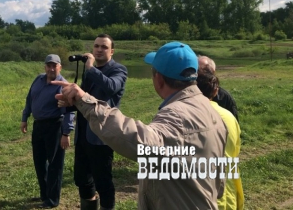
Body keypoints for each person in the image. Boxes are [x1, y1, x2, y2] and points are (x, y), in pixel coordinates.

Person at [54, 41, 228, 209]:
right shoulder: (213, 112)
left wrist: (86, 101)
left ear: (158, 79)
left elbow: (142, 142)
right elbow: (219, 187)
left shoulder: (176, 116)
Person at [72, 34, 128, 210]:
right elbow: (86, 99)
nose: (98, 49)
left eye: (104, 47)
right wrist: (69, 102)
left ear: (112, 51)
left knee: (102, 180)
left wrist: (90, 67)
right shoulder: (90, 73)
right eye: (96, 46)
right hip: (83, 132)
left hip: (102, 135)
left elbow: (111, 87)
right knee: (82, 178)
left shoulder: (118, 70)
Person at [21, 54, 75, 209]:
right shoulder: (38, 80)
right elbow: (29, 99)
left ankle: (53, 199)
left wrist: (66, 133)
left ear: (60, 67)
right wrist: (25, 118)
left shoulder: (63, 85)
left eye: (55, 65)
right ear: (45, 67)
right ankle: (44, 194)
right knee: (39, 161)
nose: (51, 68)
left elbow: (70, 111)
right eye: (49, 65)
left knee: (55, 164)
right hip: (38, 126)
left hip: (55, 126)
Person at [196, 69, 244, 210]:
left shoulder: (188, 116)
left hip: (201, 196)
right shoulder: (229, 116)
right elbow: (235, 152)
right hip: (229, 193)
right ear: (216, 92)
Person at [198, 55, 239, 121]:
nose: (201, 74)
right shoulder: (187, 92)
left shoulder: (224, 97)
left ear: (213, 72)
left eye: (205, 70)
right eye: (198, 70)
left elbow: (234, 121)